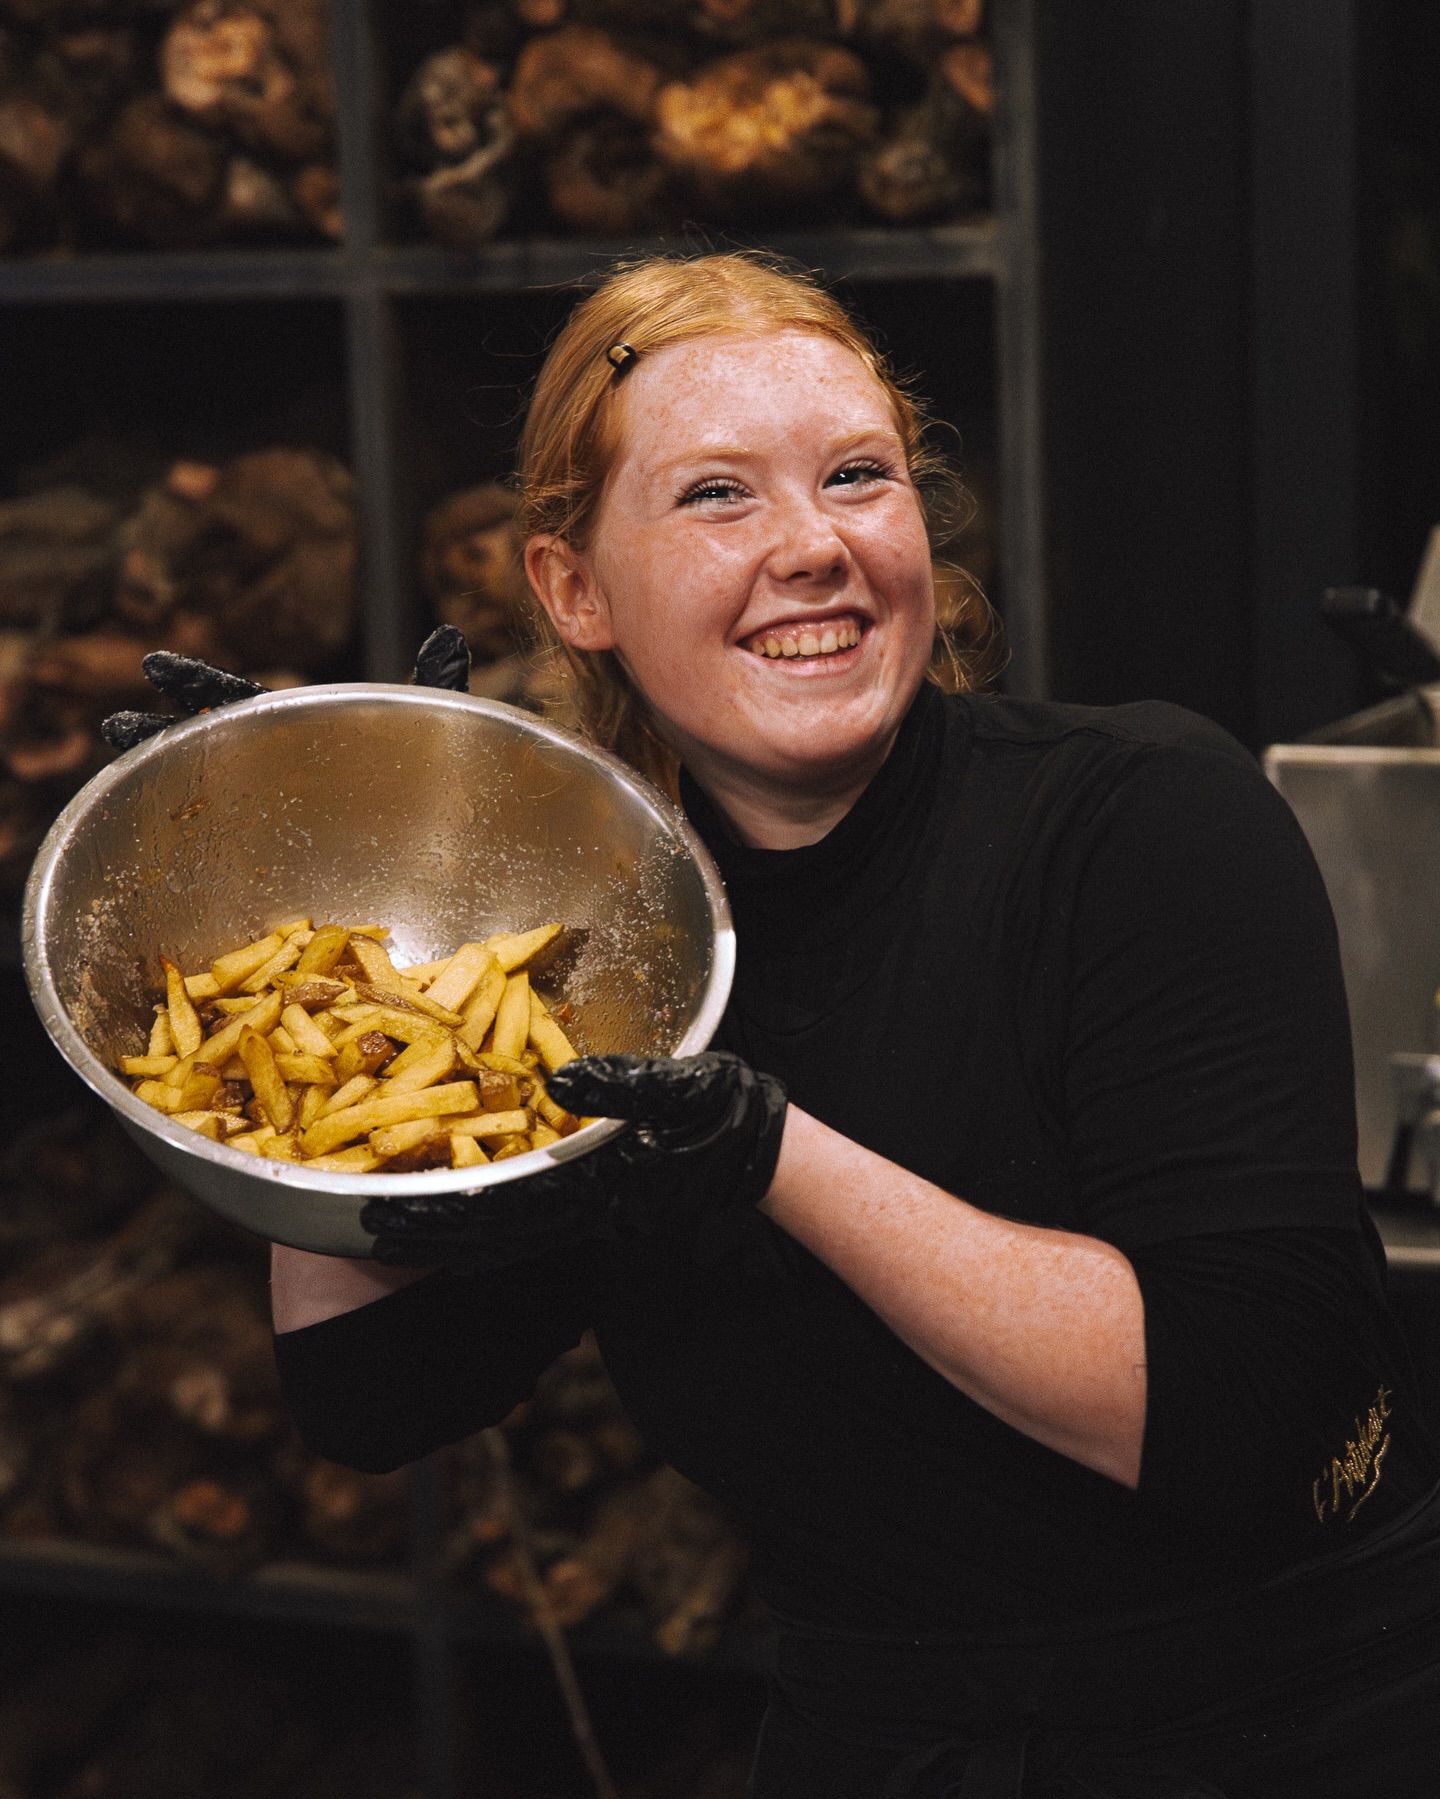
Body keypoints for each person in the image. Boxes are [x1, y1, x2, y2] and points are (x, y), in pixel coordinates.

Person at [269, 249, 1440, 1797]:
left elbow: (1253, 1422)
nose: (814, 545)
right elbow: (373, 1395)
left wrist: (775, 1156)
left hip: (1277, 1727)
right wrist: (313, 936)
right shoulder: (599, 957)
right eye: (717, 497)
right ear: (572, 587)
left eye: (857, 477)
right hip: (875, 1736)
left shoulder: (1140, 822)